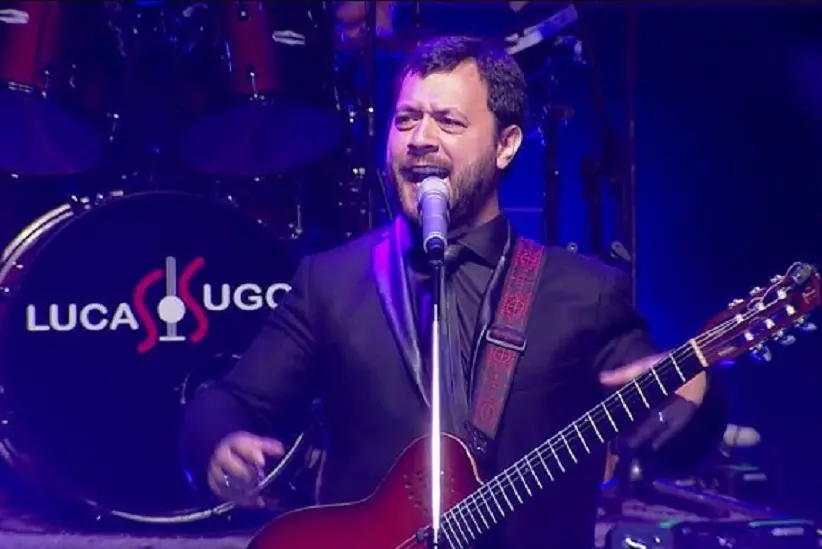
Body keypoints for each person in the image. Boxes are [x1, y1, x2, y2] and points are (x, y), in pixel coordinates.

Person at [180, 35, 725, 549]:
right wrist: (220, 444)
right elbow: (231, 400)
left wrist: (698, 394)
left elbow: (672, 439)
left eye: (448, 121)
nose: (420, 138)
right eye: (406, 119)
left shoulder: (584, 292)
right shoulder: (331, 282)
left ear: (506, 145)